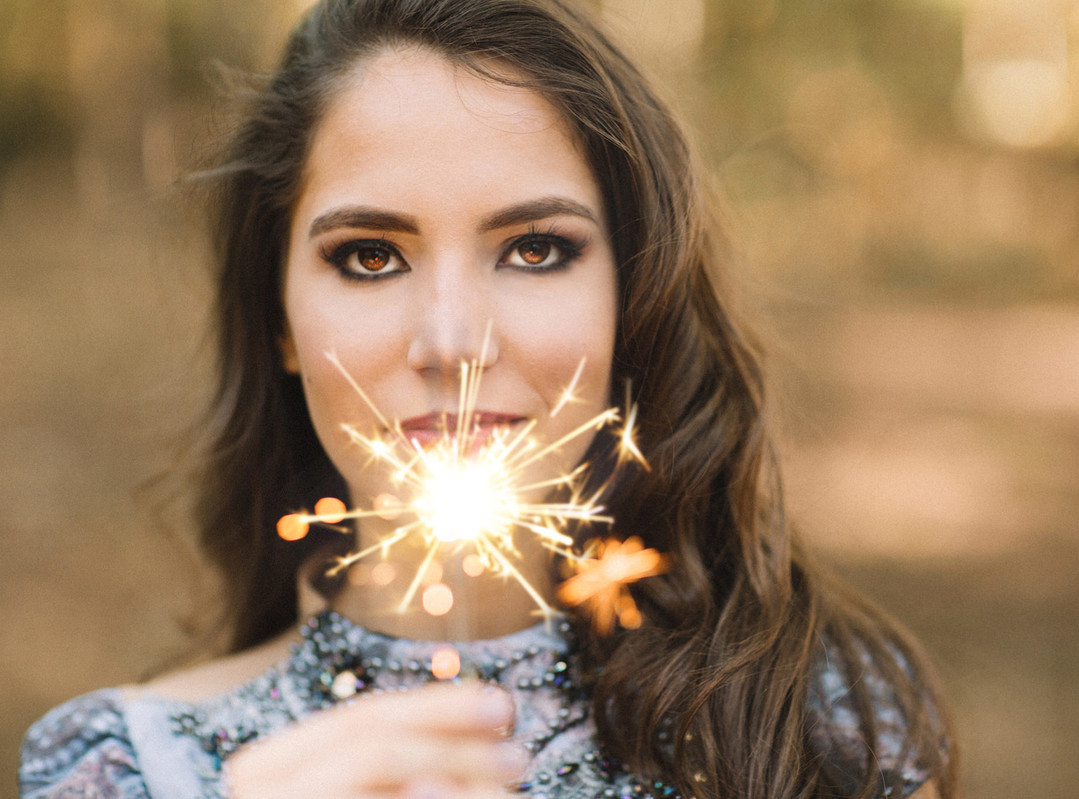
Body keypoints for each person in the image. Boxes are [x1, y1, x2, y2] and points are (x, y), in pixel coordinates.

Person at [18, 0, 957, 797]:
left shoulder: (824, 727)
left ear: (633, 297)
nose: (453, 343)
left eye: (535, 249)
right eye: (371, 257)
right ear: (279, 320)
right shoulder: (127, 767)